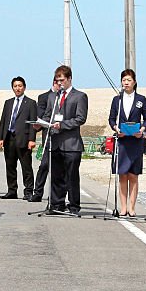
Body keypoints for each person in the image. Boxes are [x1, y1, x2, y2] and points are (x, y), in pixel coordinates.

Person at [37, 65, 87, 215]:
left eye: (62, 80)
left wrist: (63, 125)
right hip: (55, 143)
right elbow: (48, 115)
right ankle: (56, 204)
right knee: (56, 176)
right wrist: (41, 123)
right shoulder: (53, 96)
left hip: (71, 144)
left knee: (71, 177)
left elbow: (80, 118)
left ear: (69, 79)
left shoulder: (80, 96)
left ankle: (73, 206)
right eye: (57, 80)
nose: (60, 83)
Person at [109, 69, 146, 217]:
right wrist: (116, 128)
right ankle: (123, 207)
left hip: (136, 140)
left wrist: (142, 129)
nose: (126, 82)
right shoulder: (117, 100)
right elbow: (112, 119)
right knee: (123, 175)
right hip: (122, 141)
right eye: (123, 80)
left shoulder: (141, 99)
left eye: (128, 80)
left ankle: (132, 208)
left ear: (134, 82)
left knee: (133, 175)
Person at [0, 76, 37, 200]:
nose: (17, 88)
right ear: (12, 88)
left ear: (24, 87)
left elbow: (33, 123)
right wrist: (0, 138)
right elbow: (3, 121)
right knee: (10, 166)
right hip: (9, 138)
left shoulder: (31, 103)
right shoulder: (8, 102)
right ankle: (12, 191)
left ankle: (28, 191)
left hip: (24, 140)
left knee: (26, 167)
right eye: (15, 86)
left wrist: (32, 139)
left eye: (20, 86)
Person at [30, 79, 59, 202]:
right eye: (58, 82)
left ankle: (56, 196)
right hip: (49, 136)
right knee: (44, 165)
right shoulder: (44, 97)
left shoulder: (67, 97)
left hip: (62, 135)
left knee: (59, 168)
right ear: (53, 83)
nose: (60, 85)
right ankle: (38, 192)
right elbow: (42, 114)